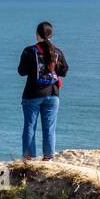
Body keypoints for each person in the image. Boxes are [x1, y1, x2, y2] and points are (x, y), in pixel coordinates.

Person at [18, 21, 68, 161]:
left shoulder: (29, 51)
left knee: (29, 127)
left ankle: (29, 157)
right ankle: (48, 158)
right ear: (51, 35)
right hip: (52, 94)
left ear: (37, 35)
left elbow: (21, 71)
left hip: (32, 94)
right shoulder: (57, 52)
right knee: (49, 128)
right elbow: (64, 71)